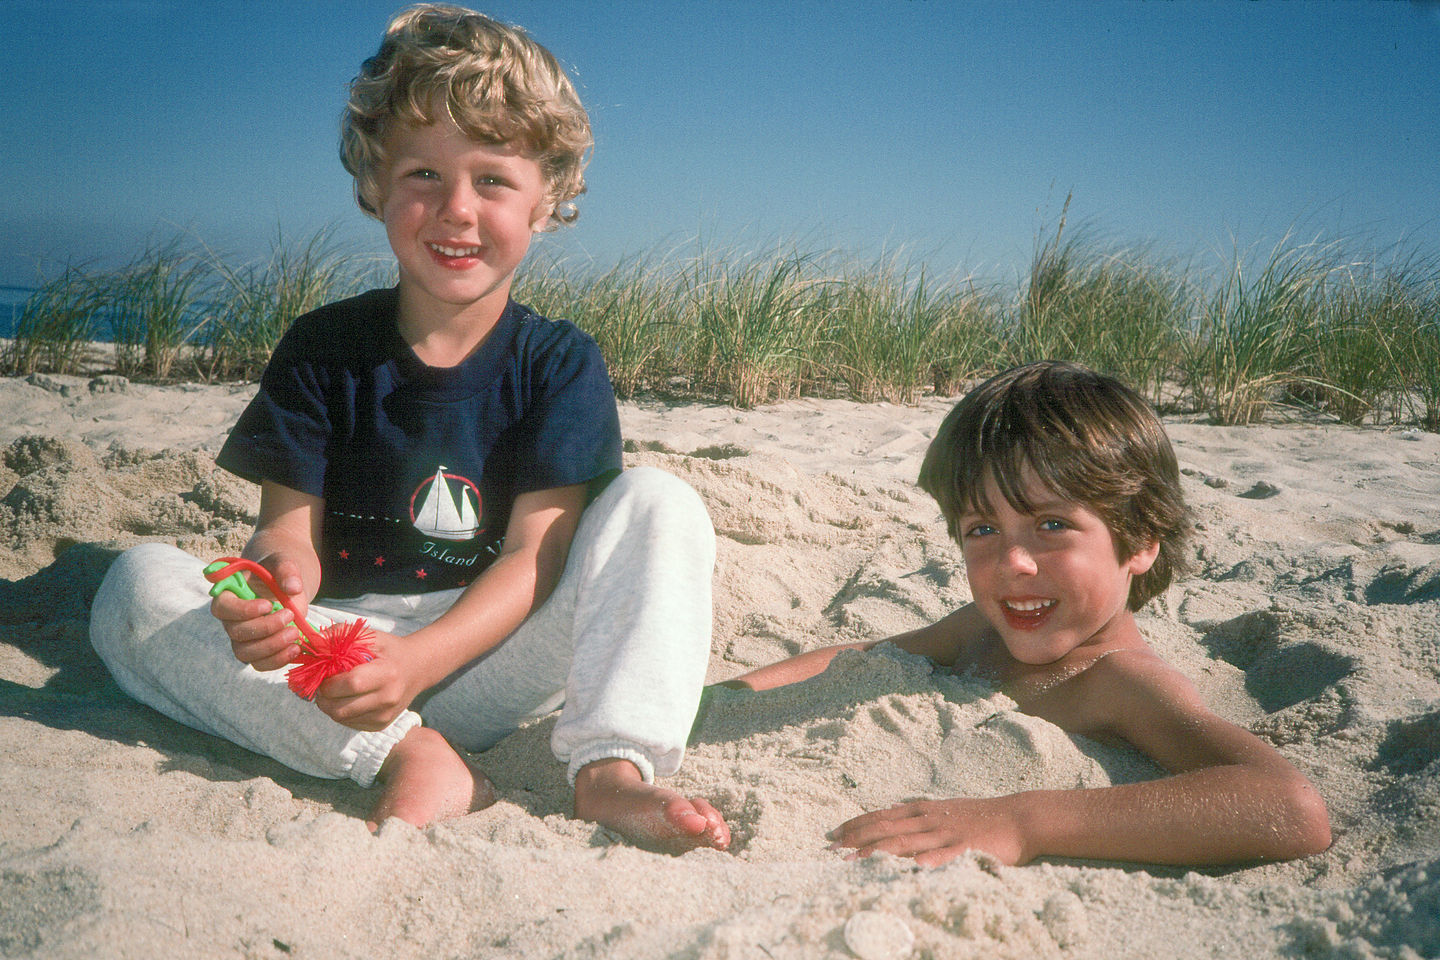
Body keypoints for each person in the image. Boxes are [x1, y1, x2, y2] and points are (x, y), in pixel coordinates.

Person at [89, 3, 729, 853]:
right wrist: (274, 592)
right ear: (375, 188)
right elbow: (287, 536)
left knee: (659, 501)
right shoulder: (324, 347)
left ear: (547, 200)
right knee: (136, 587)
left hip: (485, 653)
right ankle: (410, 756)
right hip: (336, 661)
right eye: (423, 175)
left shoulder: (559, 362)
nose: (456, 209)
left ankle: (613, 770)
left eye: (493, 180)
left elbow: (535, 560)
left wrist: (420, 664)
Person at [728, 361, 1330, 867]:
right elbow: (863, 658)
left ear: (1142, 539)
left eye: (1052, 525)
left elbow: (1287, 806)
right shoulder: (981, 629)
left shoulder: (1120, 682)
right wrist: (735, 694)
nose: (1013, 561)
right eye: (982, 528)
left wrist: (1023, 820)